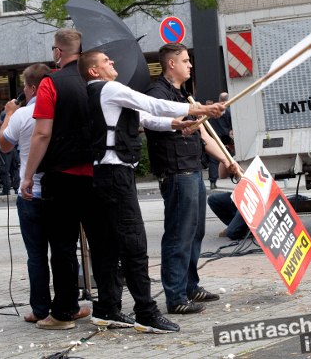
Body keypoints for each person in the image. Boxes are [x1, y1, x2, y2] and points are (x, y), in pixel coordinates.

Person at [77, 50, 225, 332]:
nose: (112, 62)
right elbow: (152, 104)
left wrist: (175, 123)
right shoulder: (110, 89)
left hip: (105, 175)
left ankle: (107, 309)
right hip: (117, 176)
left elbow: (144, 117)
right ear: (94, 71)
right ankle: (146, 313)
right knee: (134, 245)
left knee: (108, 245)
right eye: (106, 61)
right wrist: (200, 110)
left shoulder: (100, 93)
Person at [20, 28, 118, 330]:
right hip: (98, 172)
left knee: (62, 246)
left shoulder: (51, 83)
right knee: (102, 243)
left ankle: (63, 312)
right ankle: (109, 308)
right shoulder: (99, 80)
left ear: (58, 52)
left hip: (61, 177)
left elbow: (42, 132)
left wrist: (28, 176)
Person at [143, 42, 238, 314]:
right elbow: (155, 117)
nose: (191, 65)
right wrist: (198, 112)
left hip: (192, 168)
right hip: (176, 171)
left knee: (195, 231)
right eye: (185, 60)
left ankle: (190, 287)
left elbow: (204, 135)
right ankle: (174, 296)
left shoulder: (185, 95)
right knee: (178, 233)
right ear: (171, 63)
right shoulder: (157, 93)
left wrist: (227, 161)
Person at [0, 63, 90, 324]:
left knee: (36, 256)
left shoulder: (22, 115)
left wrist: (8, 114)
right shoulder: (60, 111)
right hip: (59, 189)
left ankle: (40, 308)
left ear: (30, 88)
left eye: (26, 88)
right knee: (63, 251)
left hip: (30, 194)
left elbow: (3, 145)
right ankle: (69, 305)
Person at [208, 161, 250, 240]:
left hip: (252, 201)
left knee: (231, 233)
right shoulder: (234, 158)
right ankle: (240, 226)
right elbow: (222, 175)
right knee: (212, 199)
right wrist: (225, 157)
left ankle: (242, 228)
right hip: (240, 198)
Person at [208, 93, 232, 189]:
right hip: (226, 138)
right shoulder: (229, 110)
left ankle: (212, 182)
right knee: (230, 158)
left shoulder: (212, 110)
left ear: (219, 99)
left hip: (214, 137)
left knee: (214, 161)